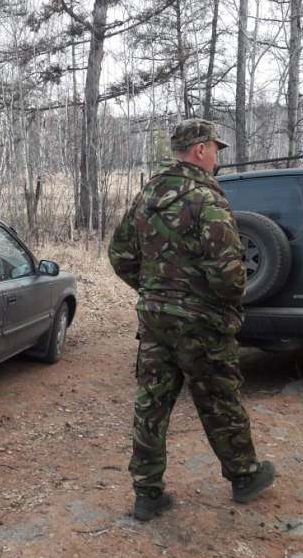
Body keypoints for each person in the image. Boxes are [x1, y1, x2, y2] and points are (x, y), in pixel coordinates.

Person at [108, 118, 275, 522]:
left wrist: (155, 291)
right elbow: (231, 276)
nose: (217, 158)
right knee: (218, 400)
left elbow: (119, 255)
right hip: (202, 323)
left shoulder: (148, 194)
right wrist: (213, 302)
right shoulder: (207, 199)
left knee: (151, 403)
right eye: (215, 150)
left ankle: (147, 494)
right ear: (200, 150)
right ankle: (245, 476)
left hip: (155, 318)